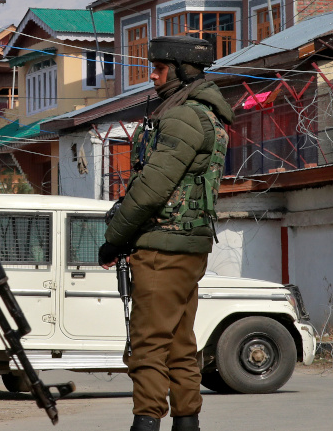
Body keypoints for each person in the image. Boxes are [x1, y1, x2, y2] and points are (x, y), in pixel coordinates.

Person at [97, 35, 233, 431]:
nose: (152, 78)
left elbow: (152, 187)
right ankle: (186, 421)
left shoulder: (184, 117)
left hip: (163, 246)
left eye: (158, 70)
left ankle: (147, 421)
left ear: (181, 71)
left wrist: (115, 239)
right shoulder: (205, 114)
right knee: (178, 343)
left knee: (148, 343)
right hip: (186, 246)